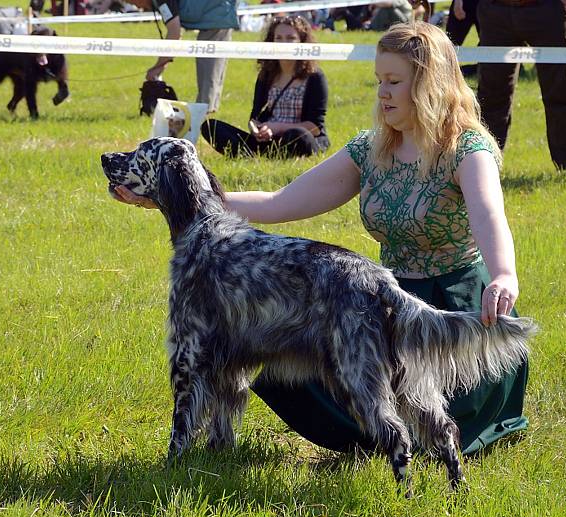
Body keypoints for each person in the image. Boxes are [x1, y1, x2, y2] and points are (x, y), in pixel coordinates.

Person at [113, 22, 530, 456]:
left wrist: (503, 274)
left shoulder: (467, 150)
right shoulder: (371, 148)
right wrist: (174, 199)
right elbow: (278, 202)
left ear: (429, 85)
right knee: (286, 358)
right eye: (378, 82)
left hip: (458, 306)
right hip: (382, 303)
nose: (381, 93)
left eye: (394, 82)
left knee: (430, 412)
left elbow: (490, 218)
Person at [475, 0, 566, 177]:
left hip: (548, 9)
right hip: (495, 10)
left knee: (562, 91)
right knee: (490, 95)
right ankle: (483, 162)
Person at [200, 16, 329, 158]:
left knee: (299, 136)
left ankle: (264, 154)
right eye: (278, 38)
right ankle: (258, 154)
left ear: (302, 41)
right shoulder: (266, 75)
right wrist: (256, 129)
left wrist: (277, 128)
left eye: (290, 38)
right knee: (211, 127)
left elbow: (315, 127)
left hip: (298, 137)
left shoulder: (315, 77)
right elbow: (255, 116)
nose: (284, 43)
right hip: (268, 139)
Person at [129, 0, 238, 113]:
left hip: (217, 15)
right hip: (217, 13)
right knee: (210, 75)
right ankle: (205, 113)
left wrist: (158, 66)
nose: (136, 6)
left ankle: (204, 116)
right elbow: (175, 33)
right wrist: (161, 65)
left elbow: (174, 33)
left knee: (208, 74)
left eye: (131, 1)